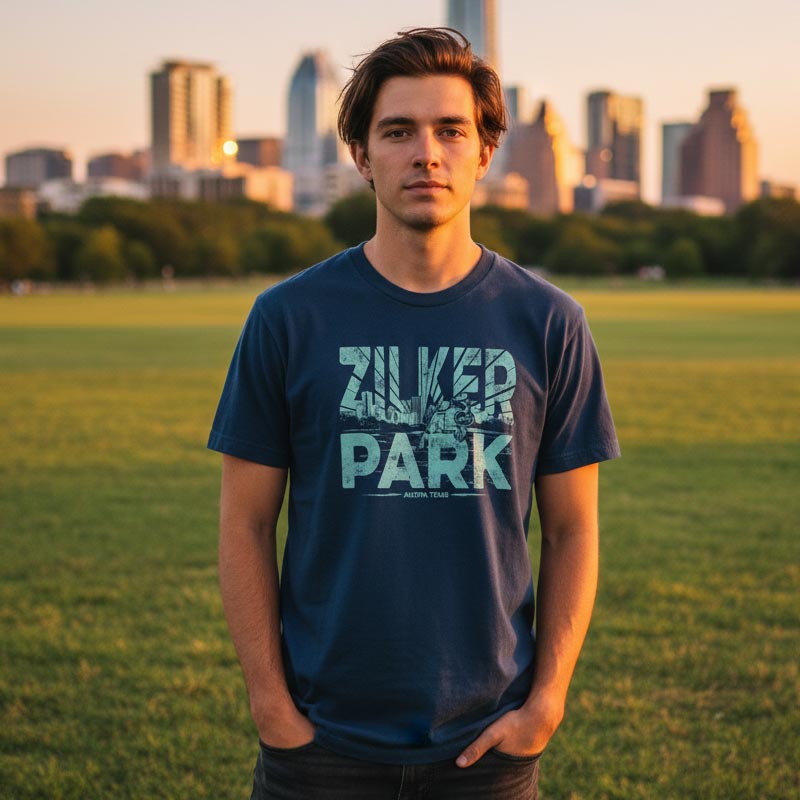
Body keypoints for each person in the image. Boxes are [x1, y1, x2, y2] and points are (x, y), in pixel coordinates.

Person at [208, 27, 620, 800]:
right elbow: (245, 522)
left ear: (484, 150)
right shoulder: (287, 319)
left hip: (487, 748)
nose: (425, 153)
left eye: (449, 130)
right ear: (362, 156)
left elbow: (573, 529)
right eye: (397, 132)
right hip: (318, 744)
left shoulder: (549, 322)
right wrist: (270, 703)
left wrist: (547, 702)